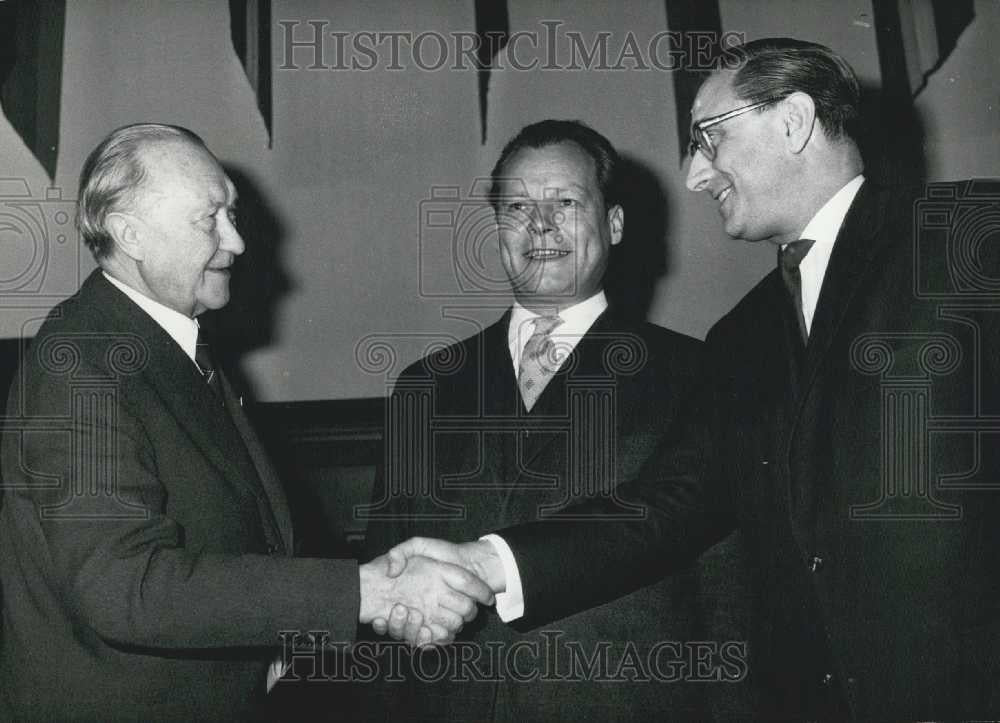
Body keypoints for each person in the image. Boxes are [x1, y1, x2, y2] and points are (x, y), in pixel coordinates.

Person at [386, 38, 1000, 719]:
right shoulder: (743, 336)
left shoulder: (967, 234)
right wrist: (487, 562)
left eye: (708, 138)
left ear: (792, 121)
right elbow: (667, 505)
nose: (692, 175)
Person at [0, 123, 492, 721]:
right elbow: (125, 587)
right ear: (130, 233)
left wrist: (359, 588)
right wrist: (368, 591)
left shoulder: (166, 347)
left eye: (232, 214)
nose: (235, 241)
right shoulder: (80, 364)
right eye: (209, 219)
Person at [360, 120, 712, 720]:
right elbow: (386, 590)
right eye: (518, 206)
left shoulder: (699, 372)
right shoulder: (426, 385)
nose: (540, 226)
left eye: (566, 203)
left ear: (616, 224)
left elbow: (725, 590)